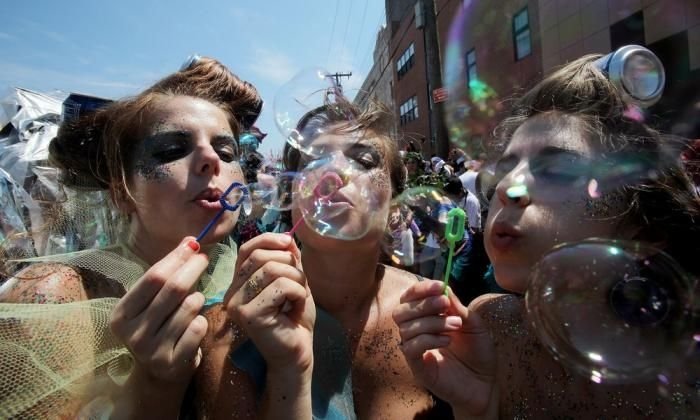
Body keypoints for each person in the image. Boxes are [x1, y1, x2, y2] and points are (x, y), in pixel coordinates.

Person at [392, 53, 700, 418]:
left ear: (643, 225)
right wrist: (476, 408)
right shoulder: (490, 328)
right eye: (505, 168)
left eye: (555, 168)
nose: (508, 186)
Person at [0, 56, 262, 418]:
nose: (210, 159)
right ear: (122, 193)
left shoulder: (247, 284)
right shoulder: (55, 297)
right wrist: (154, 387)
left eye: (226, 150)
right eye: (172, 149)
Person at [196, 99, 453, 418]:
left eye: (363, 160)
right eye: (314, 160)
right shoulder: (228, 327)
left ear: (395, 205)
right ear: (290, 199)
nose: (334, 174)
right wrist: (287, 371)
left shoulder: (433, 310)